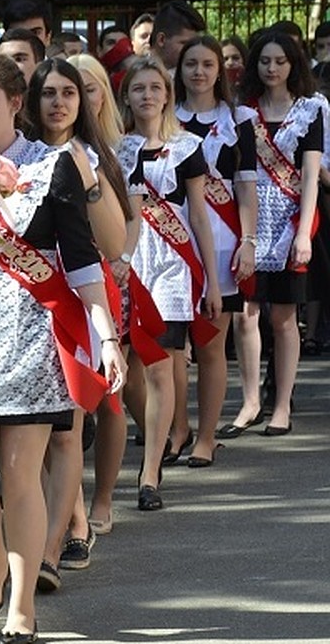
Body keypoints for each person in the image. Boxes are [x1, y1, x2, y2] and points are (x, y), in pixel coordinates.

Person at [0, 53, 124, 644]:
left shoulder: (52, 167)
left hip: (30, 332)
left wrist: (105, 336)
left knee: (22, 474)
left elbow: (80, 258)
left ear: (15, 103)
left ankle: (22, 609)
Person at [23, 57, 132, 586]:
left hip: (81, 295)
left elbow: (114, 242)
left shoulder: (95, 156)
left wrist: (86, 176)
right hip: (25, 296)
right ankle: (72, 518)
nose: (59, 102)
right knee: (40, 432)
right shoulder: (13, 155)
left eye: (70, 92)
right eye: (48, 93)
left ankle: (57, 543)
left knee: (70, 428)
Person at [116, 56, 220, 512]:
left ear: (167, 94)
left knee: (162, 364)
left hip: (172, 266)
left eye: (155, 88)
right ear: (127, 96)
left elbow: (199, 214)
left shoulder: (187, 146)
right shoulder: (114, 148)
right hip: (125, 261)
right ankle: (152, 433)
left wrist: (213, 281)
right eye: (138, 89)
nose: (147, 97)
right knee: (131, 367)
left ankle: (150, 472)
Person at [217, 31, 321, 438]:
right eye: (265, 61)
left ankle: (281, 404)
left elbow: (310, 174)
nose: (272, 68)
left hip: (291, 219)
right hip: (250, 219)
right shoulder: (243, 112)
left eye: (280, 61)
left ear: (293, 64)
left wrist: (305, 234)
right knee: (246, 314)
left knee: (283, 318)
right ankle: (250, 402)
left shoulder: (310, 111)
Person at [172, 35, 259, 466]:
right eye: (191, 64)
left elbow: (246, 188)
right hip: (171, 241)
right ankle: (176, 428)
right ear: (180, 69)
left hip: (222, 241)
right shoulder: (166, 117)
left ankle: (205, 436)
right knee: (170, 347)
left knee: (209, 344)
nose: (199, 72)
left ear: (220, 71)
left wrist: (248, 240)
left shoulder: (239, 119)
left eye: (208, 64)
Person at [67, 53, 131, 536]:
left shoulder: (112, 152)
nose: (78, 99)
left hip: (102, 279)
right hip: (52, 284)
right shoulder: (33, 149)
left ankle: (103, 498)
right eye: (69, 88)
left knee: (110, 396)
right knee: (65, 405)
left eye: (89, 89)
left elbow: (130, 219)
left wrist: (122, 261)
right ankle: (71, 511)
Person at [150, 0, 206, 71]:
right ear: (161, 40)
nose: (193, 50)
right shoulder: (137, 76)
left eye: (195, 44)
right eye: (185, 43)